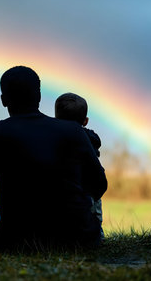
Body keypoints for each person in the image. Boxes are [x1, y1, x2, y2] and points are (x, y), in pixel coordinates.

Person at [0, 66, 107, 248]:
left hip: (17, 239)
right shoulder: (74, 131)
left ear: (3, 100)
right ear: (39, 96)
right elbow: (99, 184)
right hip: (78, 237)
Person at [55, 92, 104, 239]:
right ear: (85, 121)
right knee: (95, 210)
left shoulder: (54, 139)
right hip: (89, 189)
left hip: (69, 189)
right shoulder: (90, 139)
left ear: (56, 118)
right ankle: (98, 235)